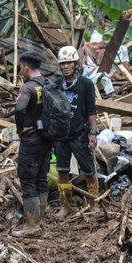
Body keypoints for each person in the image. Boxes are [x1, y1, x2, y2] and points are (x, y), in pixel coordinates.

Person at [54, 46, 99, 220]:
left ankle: (94, 203)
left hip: (80, 134)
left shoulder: (86, 84)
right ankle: (65, 207)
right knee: (62, 172)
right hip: (61, 136)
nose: (65, 66)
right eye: (62, 64)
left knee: (88, 170)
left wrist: (93, 133)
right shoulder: (57, 85)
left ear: (75, 64)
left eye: (68, 63)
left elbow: (91, 110)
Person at [12, 52, 53, 237]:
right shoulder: (48, 84)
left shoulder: (28, 87)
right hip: (47, 137)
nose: (21, 70)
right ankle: (40, 218)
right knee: (41, 178)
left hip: (31, 139)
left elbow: (19, 108)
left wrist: (21, 128)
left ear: (26, 67)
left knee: (27, 179)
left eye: (21, 67)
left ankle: (31, 226)